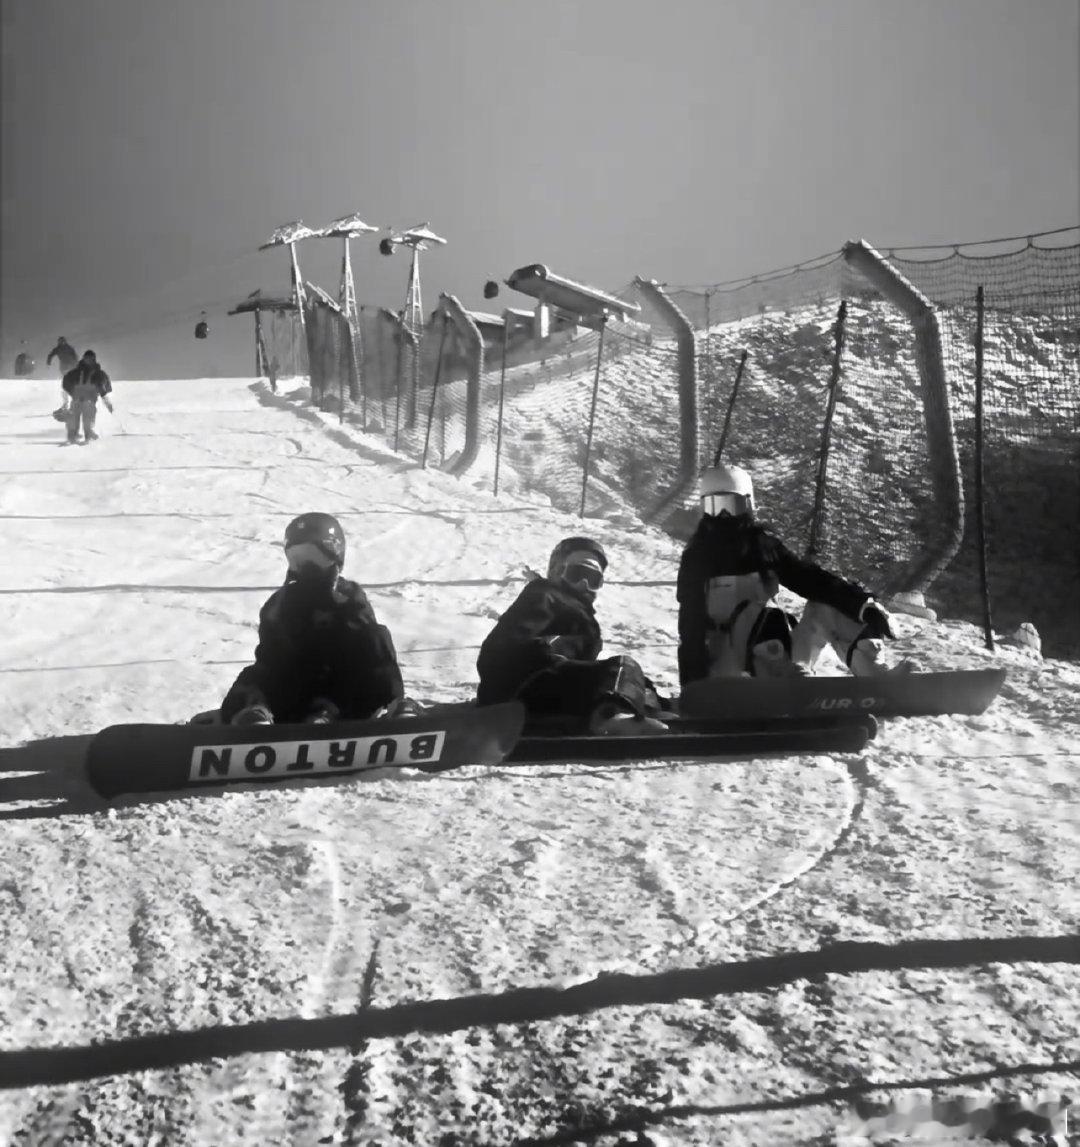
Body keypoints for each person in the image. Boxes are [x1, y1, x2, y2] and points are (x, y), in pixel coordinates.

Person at [677, 463, 913, 685]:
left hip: (777, 657)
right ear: (703, 509)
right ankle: (784, 681)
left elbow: (810, 579)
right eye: (715, 508)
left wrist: (861, 604)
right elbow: (690, 620)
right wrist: (694, 685)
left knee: (825, 605)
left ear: (748, 506)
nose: (724, 516)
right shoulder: (697, 557)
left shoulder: (764, 548)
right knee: (750, 614)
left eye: (731, 505)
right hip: (725, 670)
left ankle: (874, 677)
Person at [220, 513, 406, 725]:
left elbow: (367, 654)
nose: (307, 567)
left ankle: (393, 708)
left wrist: (341, 614)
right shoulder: (280, 604)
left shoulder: (348, 597)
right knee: (254, 675)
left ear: (334, 556)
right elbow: (269, 660)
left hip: (343, 695)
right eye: (299, 560)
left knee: (377, 636)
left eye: (314, 558)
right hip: (294, 696)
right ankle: (252, 715)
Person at [476, 536, 669, 736]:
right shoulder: (544, 594)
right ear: (557, 571)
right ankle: (612, 716)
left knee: (632, 679)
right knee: (622, 666)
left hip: (546, 692)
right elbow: (499, 648)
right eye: (577, 573)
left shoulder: (579, 615)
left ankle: (646, 710)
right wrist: (497, 690)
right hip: (523, 683)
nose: (584, 584)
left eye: (593, 579)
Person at [60, 349, 113, 444]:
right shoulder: (98, 373)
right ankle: (81, 435)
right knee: (84, 417)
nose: (88, 361)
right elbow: (105, 389)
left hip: (79, 401)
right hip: (85, 402)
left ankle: (78, 435)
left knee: (81, 418)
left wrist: (69, 396)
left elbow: (65, 383)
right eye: (87, 359)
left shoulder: (78, 372)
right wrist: (109, 404)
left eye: (89, 359)